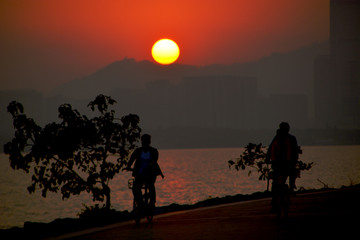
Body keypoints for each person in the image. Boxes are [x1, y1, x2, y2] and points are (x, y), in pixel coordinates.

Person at [126, 134, 164, 211]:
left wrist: (150, 164)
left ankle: (152, 203)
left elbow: (154, 161)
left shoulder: (154, 151)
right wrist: (128, 166)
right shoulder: (138, 151)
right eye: (143, 141)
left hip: (150, 174)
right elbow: (132, 159)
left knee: (150, 185)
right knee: (136, 188)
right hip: (140, 174)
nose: (144, 143)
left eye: (146, 141)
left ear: (149, 142)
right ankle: (140, 204)